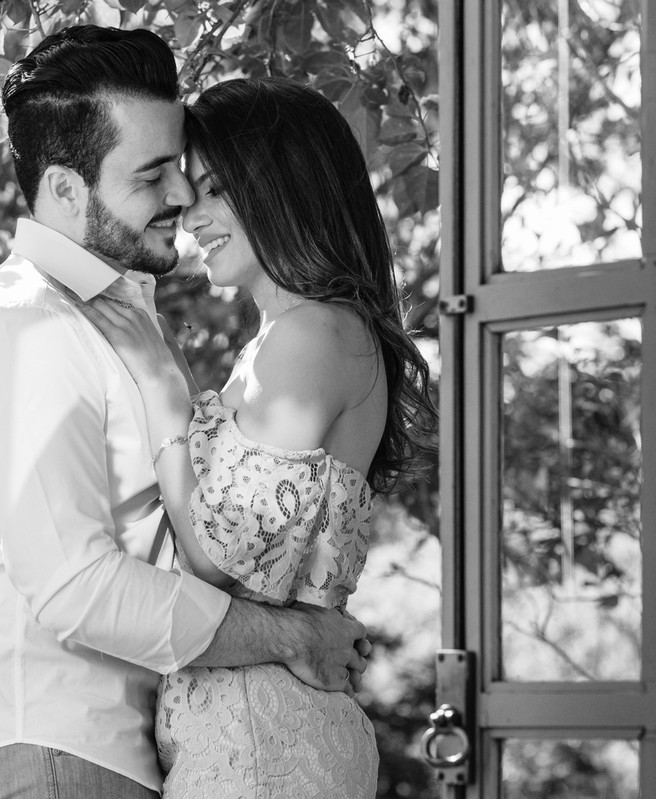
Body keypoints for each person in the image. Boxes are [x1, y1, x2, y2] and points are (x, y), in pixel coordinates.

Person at [0, 28, 370, 799]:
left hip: (131, 757)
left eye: (181, 168)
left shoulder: (116, 321)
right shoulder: (26, 325)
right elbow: (75, 586)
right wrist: (292, 637)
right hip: (51, 755)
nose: (183, 196)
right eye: (154, 174)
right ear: (66, 191)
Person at [78, 77, 437, 798]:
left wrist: (159, 383)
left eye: (215, 189)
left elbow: (217, 557)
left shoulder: (312, 334)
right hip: (260, 732)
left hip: (261, 744)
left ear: (284, 187)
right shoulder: (294, 337)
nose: (190, 215)